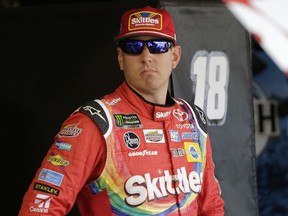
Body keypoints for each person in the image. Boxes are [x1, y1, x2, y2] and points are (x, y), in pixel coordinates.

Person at [19, 5, 225, 216]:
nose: (146, 56)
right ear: (120, 58)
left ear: (174, 56)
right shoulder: (95, 122)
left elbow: (211, 205)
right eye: (134, 46)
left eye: (158, 45)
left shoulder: (192, 119)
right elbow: (40, 207)